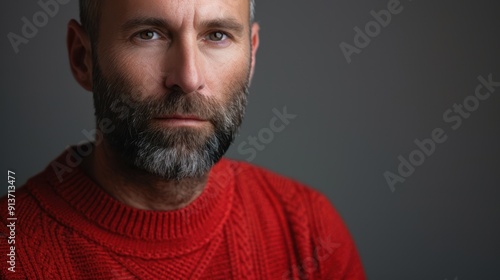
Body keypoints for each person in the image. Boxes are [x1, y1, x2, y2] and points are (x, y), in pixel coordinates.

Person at [0, 0, 366, 279]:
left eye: (217, 35)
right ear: (83, 58)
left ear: (251, 56)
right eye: (149, 34)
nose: (188, 78)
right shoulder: (12, 251)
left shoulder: (309, 232)